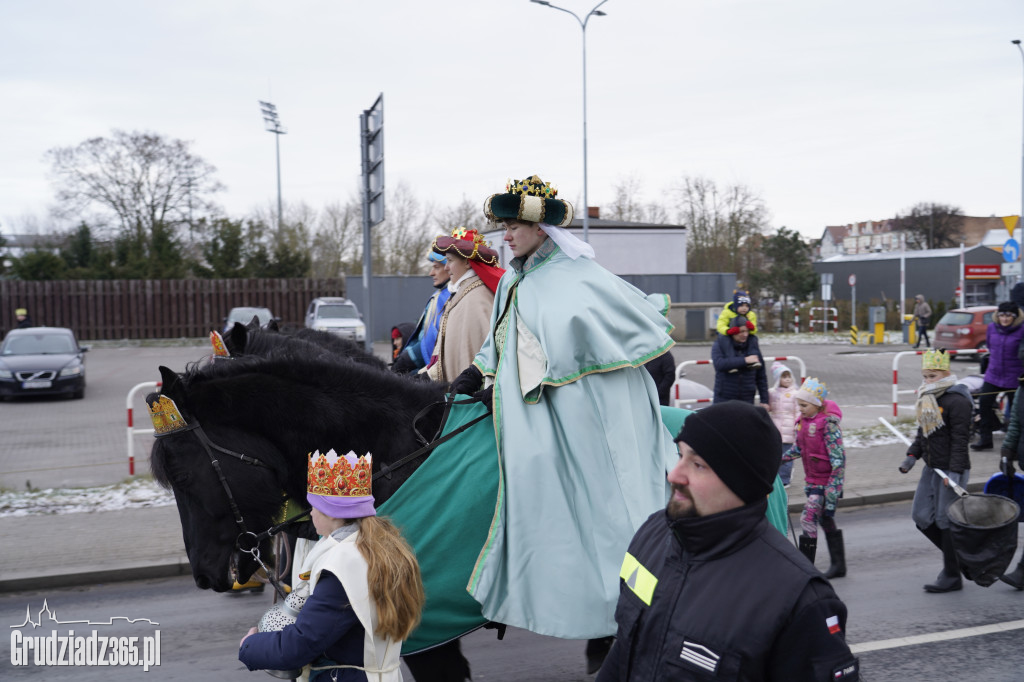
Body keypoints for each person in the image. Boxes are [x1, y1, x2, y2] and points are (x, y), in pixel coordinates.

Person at [450, 175, 677, 671]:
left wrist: (524, 377)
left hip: (584, 408)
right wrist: (478, 371)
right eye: (503, 228)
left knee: (597, 498)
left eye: (512, 227)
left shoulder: (578, 275)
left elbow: (585, 346)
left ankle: (626, 601)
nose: (504, 236)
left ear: (539, 228)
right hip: (533, 410)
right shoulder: (514, 277)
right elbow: (502, 339)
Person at [596, 401, 859, 681]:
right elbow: (625, 651)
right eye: (680, 455)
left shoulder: (799, 600)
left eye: (697, 464)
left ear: (740, 481)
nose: (674, 474)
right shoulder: (651, 535)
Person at [238, 449, 424, 681]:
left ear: (333, 513)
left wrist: (250, 645)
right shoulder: (378, 546)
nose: (311, 513)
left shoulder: (344, 563)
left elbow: (300, 645)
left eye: (314, 506)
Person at [898, 348, 973, 593]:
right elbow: (924, 434)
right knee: (921, 516)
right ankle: (961, 561)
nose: (927, 381)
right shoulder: (928, 398)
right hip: (932, 468)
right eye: (925, 376)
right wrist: (911, 455)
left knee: (944, 520)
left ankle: (952, 574)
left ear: (945, 373)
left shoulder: (958, 400)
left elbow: (961, 440)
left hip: (952, 470)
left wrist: (954, 474)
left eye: (932, 376)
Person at [782, 378, 847, 579]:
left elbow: (838, 460)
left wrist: (833, 489)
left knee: (807, 519)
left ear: (817, 404)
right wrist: (778, 459)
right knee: (826, 520)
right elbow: (799, 449)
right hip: (812, 481)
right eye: (798, 405)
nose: (800, 409)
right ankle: (839, 566)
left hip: (826, 484)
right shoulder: (803, 423)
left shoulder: (828, 425)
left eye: (804, 405)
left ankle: (805, 571)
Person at [423, 227, 504, 383]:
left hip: (471, 399)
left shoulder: (477, 297)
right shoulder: (463, 292)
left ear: (467, 262)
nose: (446, 267)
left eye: (450, 261)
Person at [972, 301, 1024, 451]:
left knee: (1017, 413)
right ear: (997, 315)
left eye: (1009, 316)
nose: (1005, 319)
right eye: (1002, 315)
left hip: (1015, 377)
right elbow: (990, 347)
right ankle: (986, 439)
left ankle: (1015, 447)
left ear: (1015, 317)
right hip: (993, 375)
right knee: (984, 405)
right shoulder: (991, 328)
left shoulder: (1022, 330)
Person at [392, 249, 452, 374]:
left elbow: (435, 340)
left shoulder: (448, 297)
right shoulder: (439, 294)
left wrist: (410, 357)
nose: (431, 273)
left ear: (448, 267)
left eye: (436, 267)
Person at [710, 315, 769, 406]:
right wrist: (745, 360)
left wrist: (764, 400)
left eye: (747, 331)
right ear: (733, 331)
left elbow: (761, 375)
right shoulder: (720, 343)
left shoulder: (752, 344)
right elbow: (719, 364)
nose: (745, 335)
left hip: (747, 399)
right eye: (741, 331)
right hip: (724, 399)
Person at [768, 362, 799, 487]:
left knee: (787, 456)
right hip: (776, 428)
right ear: (778, 379)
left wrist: (797, 425)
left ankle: (785, 479)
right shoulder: (772, 393)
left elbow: (798, 411)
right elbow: (769, 408)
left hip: (789, 429)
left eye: (789, 376)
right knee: (776, 455)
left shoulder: (795, 394)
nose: (787, 379)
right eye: (784, 377)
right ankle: (778, 478)